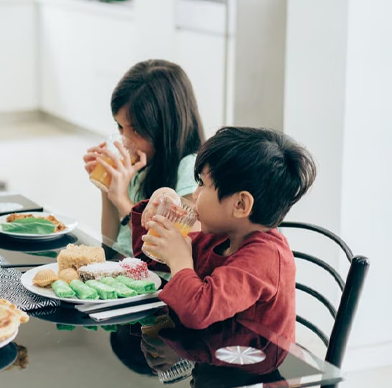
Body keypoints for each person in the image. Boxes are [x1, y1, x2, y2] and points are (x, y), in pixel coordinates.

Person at [133, 127, 317, 341]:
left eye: (202, 184)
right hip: (211, 355)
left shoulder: (264, 259)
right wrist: (158, 205)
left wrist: (180, 260)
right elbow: (148, 258)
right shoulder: (220, 236)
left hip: (250, 370)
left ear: (240, 204)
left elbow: (197, 311)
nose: (195, 193)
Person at [83, 59, 205, 257]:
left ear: (166, 127)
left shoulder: (190, 170)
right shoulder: (142, 163)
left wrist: (122, 200)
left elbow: (171, 250)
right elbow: (111, 243)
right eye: (120, 126)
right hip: (121, 265)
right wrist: (107, 188)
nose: (125, 139)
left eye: (136, 130)